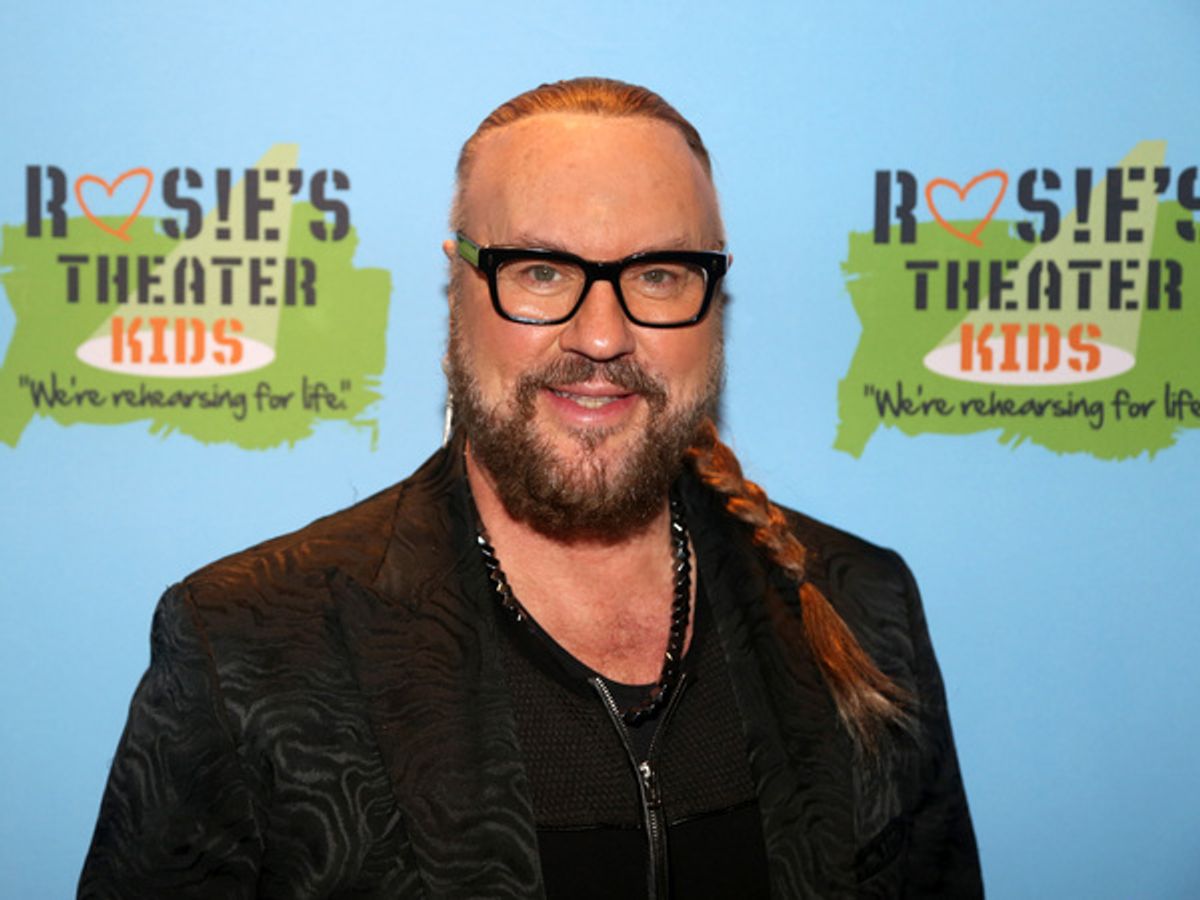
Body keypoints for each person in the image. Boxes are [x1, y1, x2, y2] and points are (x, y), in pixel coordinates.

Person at [79, 77, 982, 899]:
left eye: (659, 275)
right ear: (457, 289)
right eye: (542, 271)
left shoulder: (862, 607)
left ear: (715, 302)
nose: (600, 334)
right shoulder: (250, 645)